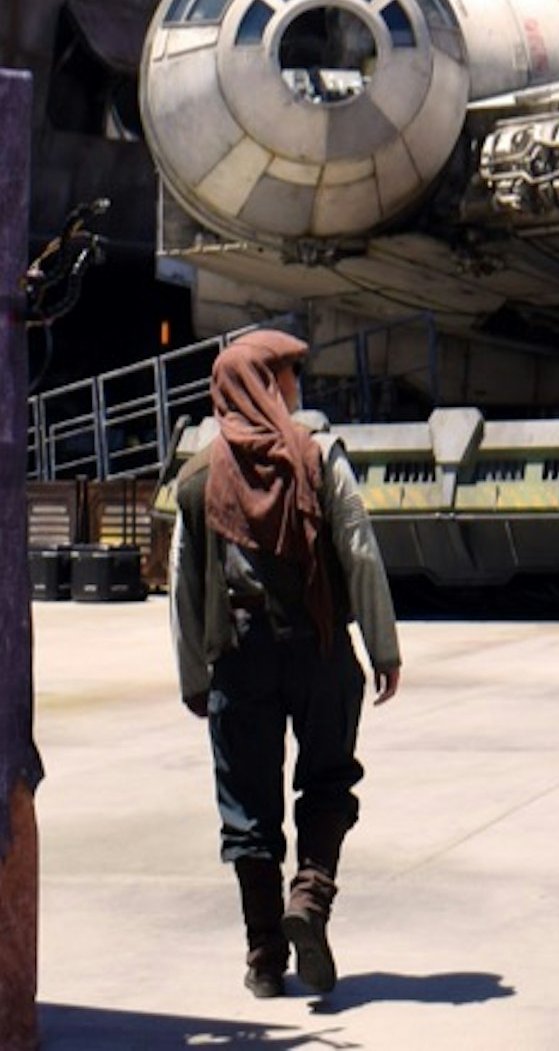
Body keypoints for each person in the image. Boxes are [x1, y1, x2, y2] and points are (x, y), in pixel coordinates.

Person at [167, 328, 404, 1003]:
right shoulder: (317, 456)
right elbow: (358, 550)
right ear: (268, 385)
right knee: (328, 779)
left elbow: (185, 585)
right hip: (322, 652)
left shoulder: (196, 477)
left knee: (247, 809)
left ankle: (265, 958)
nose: (297, 387)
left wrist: (192, 676)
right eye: (288, 375)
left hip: (239, 663)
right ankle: (311, 899)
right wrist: (383, 647)